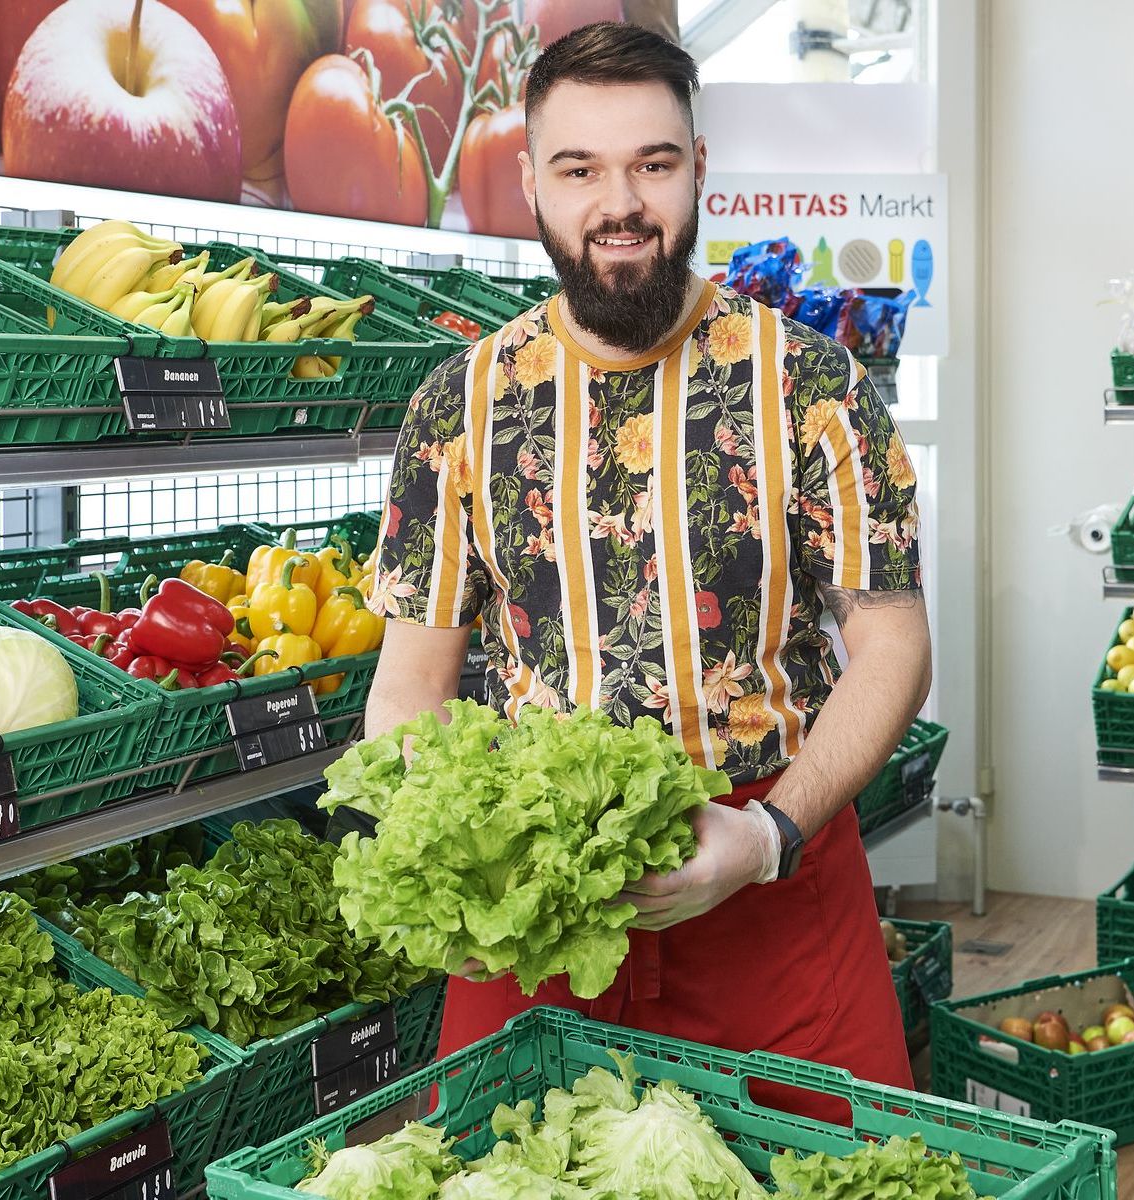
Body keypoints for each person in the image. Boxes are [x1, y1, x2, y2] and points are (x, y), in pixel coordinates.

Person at [356, 21, 931, 1119]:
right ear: (530, 183)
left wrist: (768, 835)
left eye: (651, 165)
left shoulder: (814, 384)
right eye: (579, 169)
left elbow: (894, 645)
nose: (618, 202)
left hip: (771, 884)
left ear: (697, 172)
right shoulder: (457, 406)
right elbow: (410, 687)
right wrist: (456, 848)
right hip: (535, 910)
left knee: (835, 1179)